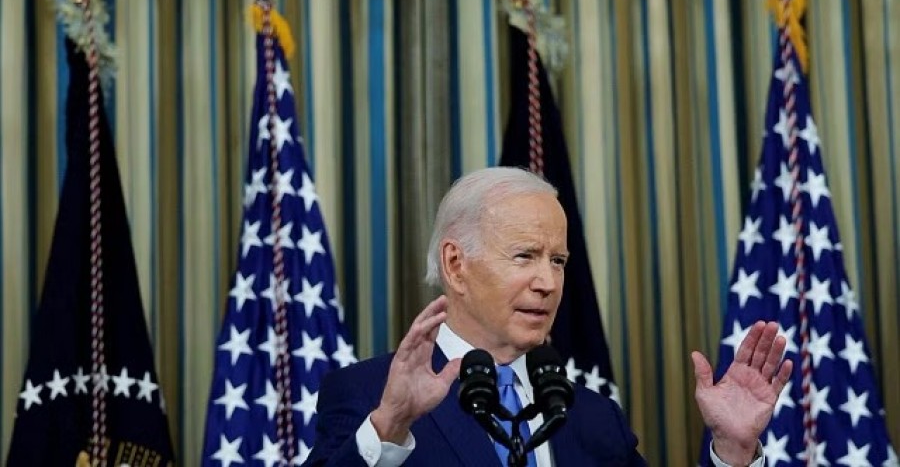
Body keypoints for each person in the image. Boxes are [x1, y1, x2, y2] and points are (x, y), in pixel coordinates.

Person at [305, 167, 792, 466]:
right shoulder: (369, 396)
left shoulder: (593, 418)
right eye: (524, 257)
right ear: (456, 265)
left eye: (557, 261)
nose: (548, 282)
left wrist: (732, 453)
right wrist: (388, 428)